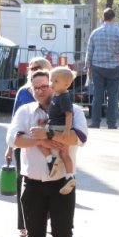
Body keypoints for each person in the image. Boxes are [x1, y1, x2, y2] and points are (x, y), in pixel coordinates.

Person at [7, 69, 88, 237]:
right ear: (31, 90)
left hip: (62, 183)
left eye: (45, 86)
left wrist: (48, 133)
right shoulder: (25, 111)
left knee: (63, 233)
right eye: (36, 88)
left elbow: (79, 138)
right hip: (32, 183)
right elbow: (14, 139)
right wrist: (41, 140)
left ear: (54, 85)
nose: (42, 90)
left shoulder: (73, 110)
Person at [5, 57, 53, 237]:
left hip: (49, 142)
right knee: (22, 181)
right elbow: (13, 122)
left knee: (50, 179)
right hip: (24, 142)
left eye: (37, 67)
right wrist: (10, 147)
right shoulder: (23, 92)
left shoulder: (54, 92)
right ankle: (23, 224)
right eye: (30, 68)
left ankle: (47, 219)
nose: (32, 70)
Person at [85, 8, 119, 129]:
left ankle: (95, 122)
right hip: (113, 66)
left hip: (97, 67)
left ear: (103, 18)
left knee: (97, 95)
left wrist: (88, 67)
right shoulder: (118, 31)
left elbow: (89, 51)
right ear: (113, 18)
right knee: (113, 96)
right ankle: (111, 123)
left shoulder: (95, 32)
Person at [43, 66, 77, 194]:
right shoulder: (57, 95)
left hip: (59, 128)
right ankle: (69, 177)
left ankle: (52, 161)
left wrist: (67, 130)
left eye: (56, 81)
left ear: (66, 84)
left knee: (40, 141)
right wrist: (45, 120)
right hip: (53, 125)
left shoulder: (64, 97)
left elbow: (69, 114)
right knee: (63, 153)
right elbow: (55, 113)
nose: (51, 84)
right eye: (51, 80)